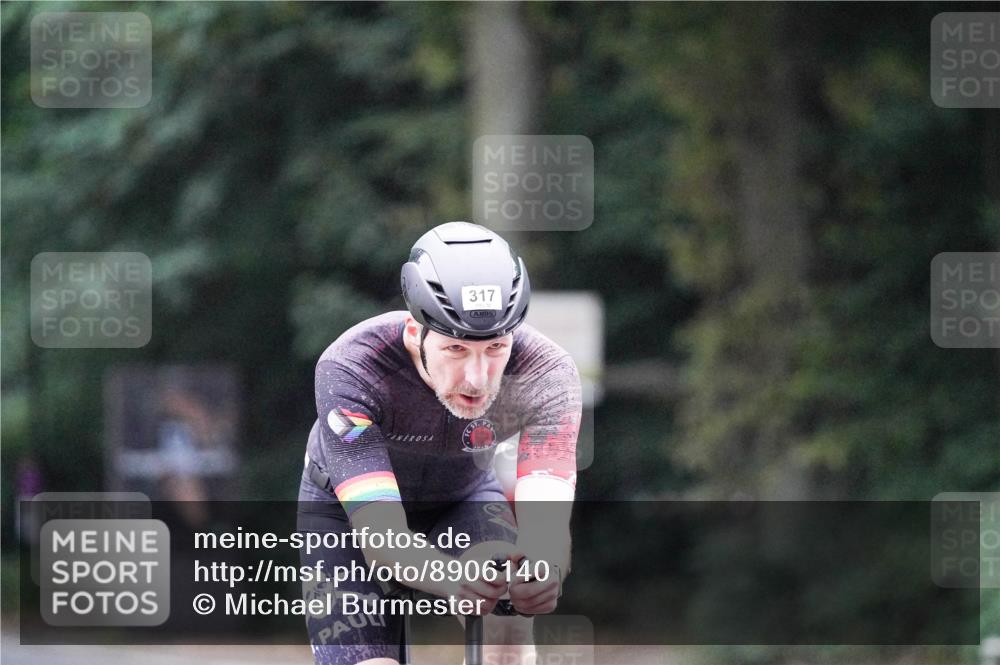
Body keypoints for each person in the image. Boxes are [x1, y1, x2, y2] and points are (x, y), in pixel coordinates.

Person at [297, 221, 580, 665]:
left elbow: (547, 524)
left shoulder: (546, 373)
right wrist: (452, 580)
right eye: (456, 350)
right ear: (415, 333)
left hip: (462, 497)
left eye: (495, 349)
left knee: (507, 634)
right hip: (346, 513)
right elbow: (382, 537)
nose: (477, 379)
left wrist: (544, 569)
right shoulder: (353, 366)